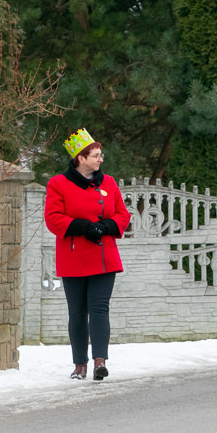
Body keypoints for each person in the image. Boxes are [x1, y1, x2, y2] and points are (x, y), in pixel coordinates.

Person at [44, 128, 130, 381]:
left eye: (100, 155)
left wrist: (103, 227)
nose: (100, 159)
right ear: (81, 158)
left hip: (104, 257)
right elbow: (53, 219)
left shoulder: (109, 183)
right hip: (73, 258)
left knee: (99, 309)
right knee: (77, 313)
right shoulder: (58, 183)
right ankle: (79, 365)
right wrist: (84, 227)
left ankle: (99, 362)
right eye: (96, 155)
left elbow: (123, 215)